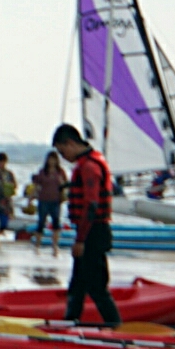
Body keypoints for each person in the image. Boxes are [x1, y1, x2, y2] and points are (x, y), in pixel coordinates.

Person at [53, 123, 121, 326]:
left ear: (70, 143)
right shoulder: (84, 165)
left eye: (62, 150)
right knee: (77, 285)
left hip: (94, 233)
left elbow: (91, 206)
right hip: (89, 232)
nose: (63, 156)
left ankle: (116, 326)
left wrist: (81, 240)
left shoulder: (90, 167)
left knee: (97, 287)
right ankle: (70, 322)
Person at [32, 151, 69, 254]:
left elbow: (66, 185)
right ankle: (37, 245)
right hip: (43, 199)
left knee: (56, 223)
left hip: (56, 200)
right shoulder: (43, 171)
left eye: (54, 159)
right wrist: (31, 197)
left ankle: (55, 246)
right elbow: (36, 185)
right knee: (41, 222)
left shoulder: (60, 172)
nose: (52, 161)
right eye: (50, 159)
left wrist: (64, 190)